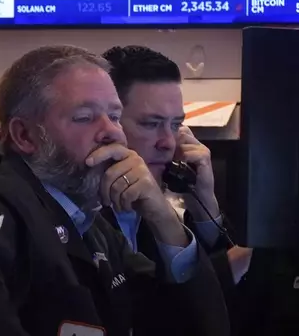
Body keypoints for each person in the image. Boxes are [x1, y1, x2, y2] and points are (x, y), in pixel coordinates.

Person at [0, 46, 230, 336]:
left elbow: (192, 327)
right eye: (85, 118)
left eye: (114, 116)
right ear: (25, 136)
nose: (112, 133)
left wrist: (162, 217)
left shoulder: (92, 229)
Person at [100, 45, 253, 331]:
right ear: (107, 125)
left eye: (175, 125)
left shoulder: (146, 209)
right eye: (151, 124)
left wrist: (203, 203)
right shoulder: (79, 215)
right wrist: (165, 218)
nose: (168, 142)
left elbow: (234, 307)